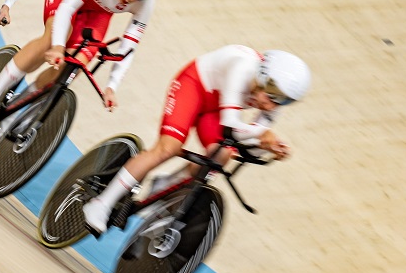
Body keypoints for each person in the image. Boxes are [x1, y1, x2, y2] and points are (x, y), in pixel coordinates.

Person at [82, 45, 312, 234]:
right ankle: (101, 204)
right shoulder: (242, 67)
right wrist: (262, 134)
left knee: (222, 155)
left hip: (216, 110)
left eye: (283, 101)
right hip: (193, 87)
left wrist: (267, 146)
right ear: (262, 77)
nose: (272, 106)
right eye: (272, 97)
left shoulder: (273, 102)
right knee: (169, 147)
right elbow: (233, 126)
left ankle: (166, 185)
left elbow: (245, 146)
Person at [0, 0, 164, 135]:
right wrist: (58, 46)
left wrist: (111, 87)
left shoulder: (146, 4)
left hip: (98, 14)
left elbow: (128, 49)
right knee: (52, 39)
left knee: (74, 66)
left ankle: (14, 108)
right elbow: (68, 6)